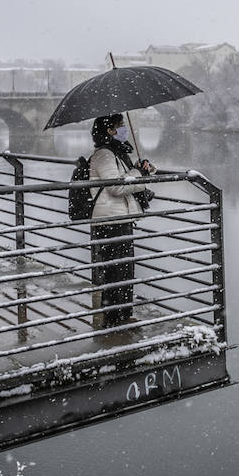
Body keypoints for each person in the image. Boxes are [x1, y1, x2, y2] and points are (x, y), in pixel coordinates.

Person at [88, 113, 155, 327]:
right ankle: (114, 319)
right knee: (116, 273)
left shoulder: (116, 154)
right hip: (110, 221)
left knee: (125, 271)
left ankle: (124, 316)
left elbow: (124, 179)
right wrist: (140, 177)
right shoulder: (105, 155)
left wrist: (139, 169)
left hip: (119, 218)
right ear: (110, 130)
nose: (125, 128)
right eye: (121, 125)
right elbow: (116, 187)